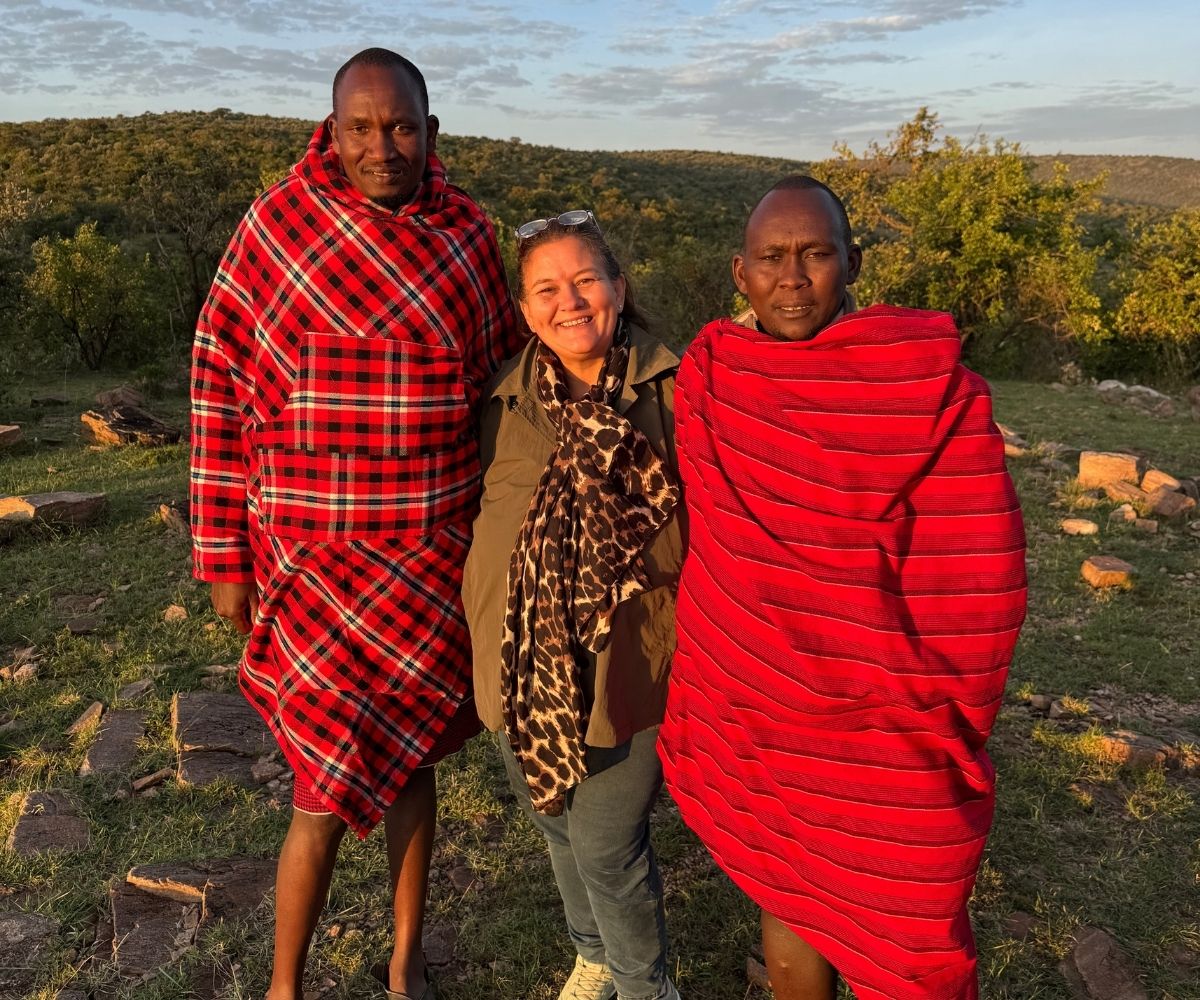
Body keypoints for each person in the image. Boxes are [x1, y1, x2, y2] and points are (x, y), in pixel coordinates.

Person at [189, 48, 521, 1000]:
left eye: (403, 126)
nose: (384, 147)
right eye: (363, 128)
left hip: (429, 560)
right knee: (320, 786)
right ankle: (284, 985)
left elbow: (501, 379)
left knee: (412, 763)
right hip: (313, 567)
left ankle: (406, 960)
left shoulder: (465, 236)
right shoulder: (277, 227)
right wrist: (222, 554)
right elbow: (217, 377)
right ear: (331, 133)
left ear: (432, 131)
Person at [657, 176, 1027, 1000]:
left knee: (907, 925)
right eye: (771, 258)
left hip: (883, 723)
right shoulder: (716, 379)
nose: (792, 278)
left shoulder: (930, 390)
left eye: (815, 254)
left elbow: (982, 573)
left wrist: (935, 708)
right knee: (786, 888)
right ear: (740, 272)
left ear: (853, 262)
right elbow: (721, 545)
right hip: (757, 707)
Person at [462, 211, 685, 1000]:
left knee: (604, 842)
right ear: (525, 311)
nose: (570, 301)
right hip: (521, 660)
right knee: (554, 819)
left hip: (635, 662)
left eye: (586, 280)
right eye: (547, 289)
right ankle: (592, 954)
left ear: (618, 289)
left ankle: (644, 987)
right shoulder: (502, 401)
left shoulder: (678, 391)